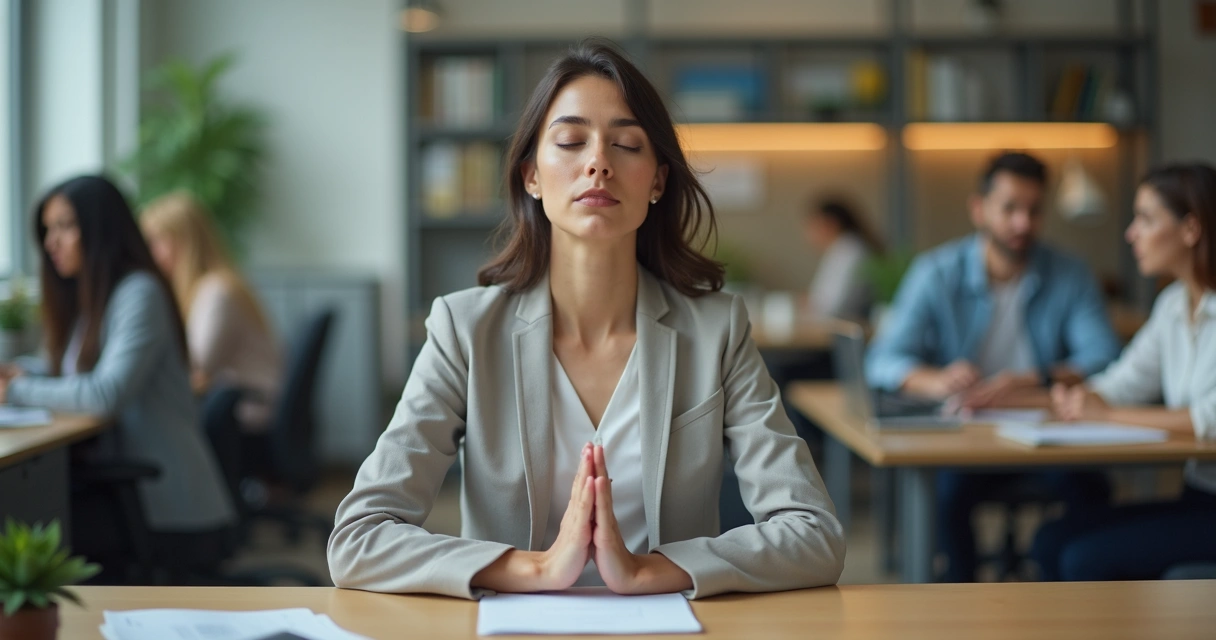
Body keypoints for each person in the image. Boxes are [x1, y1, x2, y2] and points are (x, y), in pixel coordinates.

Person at [327, 39, 845, 599]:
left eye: (626, 144)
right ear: (531, 175)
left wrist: (647, 571)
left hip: (670, 624)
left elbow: (815, 533)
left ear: (657, 181)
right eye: (571, 141)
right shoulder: (464, 330)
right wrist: (536, 569)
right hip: (514, 626)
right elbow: (358, 539)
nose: (598, 162)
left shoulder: (716, 331)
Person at [864, 152, 1121, 582]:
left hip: (1047, 429)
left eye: (1034, 210)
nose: (1023, 223)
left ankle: (1070, 600)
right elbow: (883, 359)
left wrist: (1031, 380)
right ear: (979, 209)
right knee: (945, 495)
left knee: (1092, 488)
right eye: (1010, 208)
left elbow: (1103, 356)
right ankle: (962, 598)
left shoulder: (1069, 273)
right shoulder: (936, 273)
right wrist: (937, 380)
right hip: (967, 434)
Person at [0, 175, 236, 570]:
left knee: (25, 522)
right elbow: (68, 368)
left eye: (65, 227)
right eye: (48, 230)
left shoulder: (139, 292)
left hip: (165, 504)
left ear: (102, 230)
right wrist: (19, 371)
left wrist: (16, 390)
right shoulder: (92, 297)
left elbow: (106, 393)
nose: (51, 242)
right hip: (126, 494)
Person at [1031, 162, 1216, 581]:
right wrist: (1083, 397)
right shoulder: (1172, 305)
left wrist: (1107, 414)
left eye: (1146, 219)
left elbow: (1208, 420)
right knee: (1051, 540)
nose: (1132, 233)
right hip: (1198, 494)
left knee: (1084, 559)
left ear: (1191, 229)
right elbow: (1125, 381)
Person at [140, 192, 282, 431]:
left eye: (156, 242)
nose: (150, 254)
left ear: (184, 242)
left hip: (247, 408)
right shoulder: (209, 286)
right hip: (235, 402)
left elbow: (196, 365)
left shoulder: (217, 292)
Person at [805, 197, 884, 321]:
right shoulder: (839, 249)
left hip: (843, 324)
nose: (810, 234)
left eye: (814, 226)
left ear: (831, 223)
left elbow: (834, 306)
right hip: (835, 322)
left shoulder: (850, 251)